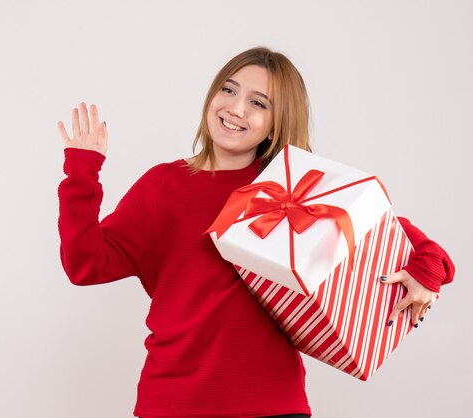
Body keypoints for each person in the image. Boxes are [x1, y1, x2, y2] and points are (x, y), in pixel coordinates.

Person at [56, 47, 455, 418]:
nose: (235, 108)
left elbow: (398, 233)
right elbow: (85, 264)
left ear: (276, 122)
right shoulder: (164, 186)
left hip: (274, 405)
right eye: (228, 90)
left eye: (258, 103)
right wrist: (82, 170)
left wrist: (427, 272)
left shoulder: (294, 185)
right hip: (173, 404)